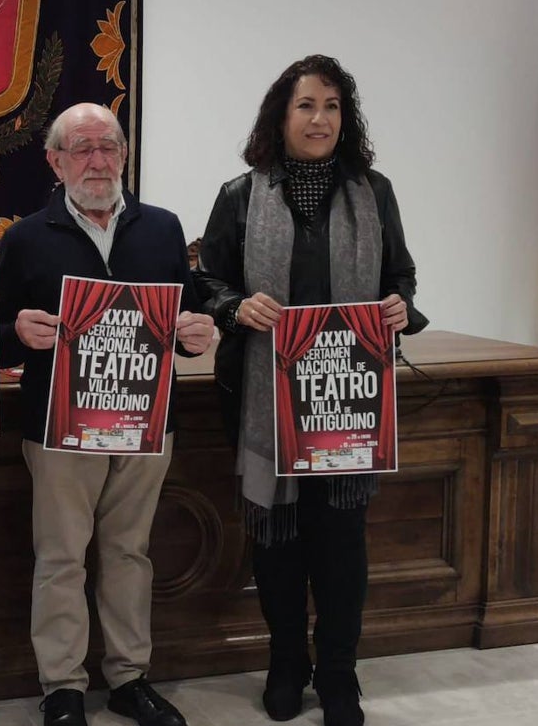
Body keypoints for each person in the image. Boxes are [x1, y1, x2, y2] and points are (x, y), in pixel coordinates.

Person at [194, 55, 428, 726]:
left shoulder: (374, 192)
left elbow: (403, 277)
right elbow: (206, 282)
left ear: (343, 118)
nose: (319, 118)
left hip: (347, 400)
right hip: (267, 402)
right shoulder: (241, 195)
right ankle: (286, 664)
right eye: (306, 105)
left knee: (341, 543)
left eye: (331, 105)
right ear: (281, 115)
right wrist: (238, 306)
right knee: (276, 542)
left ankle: (339, 676)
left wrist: (397, 306)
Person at [0, 103, 214, 726]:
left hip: (146, 420)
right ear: (55, 161)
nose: (97, 160)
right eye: (82, 148)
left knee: (129, 553)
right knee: (61, 555)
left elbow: (186, 315)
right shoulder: (25, 237)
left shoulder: (163, 227)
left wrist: (197, 332)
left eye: (108, 146)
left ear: (124, 154)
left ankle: (128, 677)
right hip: (60, 426)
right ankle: (62, 686)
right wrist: (17, 332)